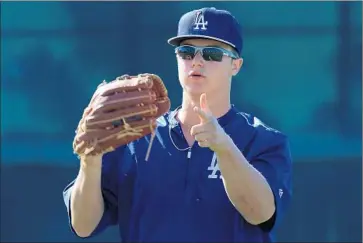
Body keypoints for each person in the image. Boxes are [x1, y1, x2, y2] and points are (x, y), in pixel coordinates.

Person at [63, 7, 292, 243]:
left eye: (212, 53)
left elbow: (261, 214)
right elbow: (83, 226)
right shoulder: (136, 136)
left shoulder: (261, 141)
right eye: (186, 52)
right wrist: (90, 161)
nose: (197, 61)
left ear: (236, 65)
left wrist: (224, 148)